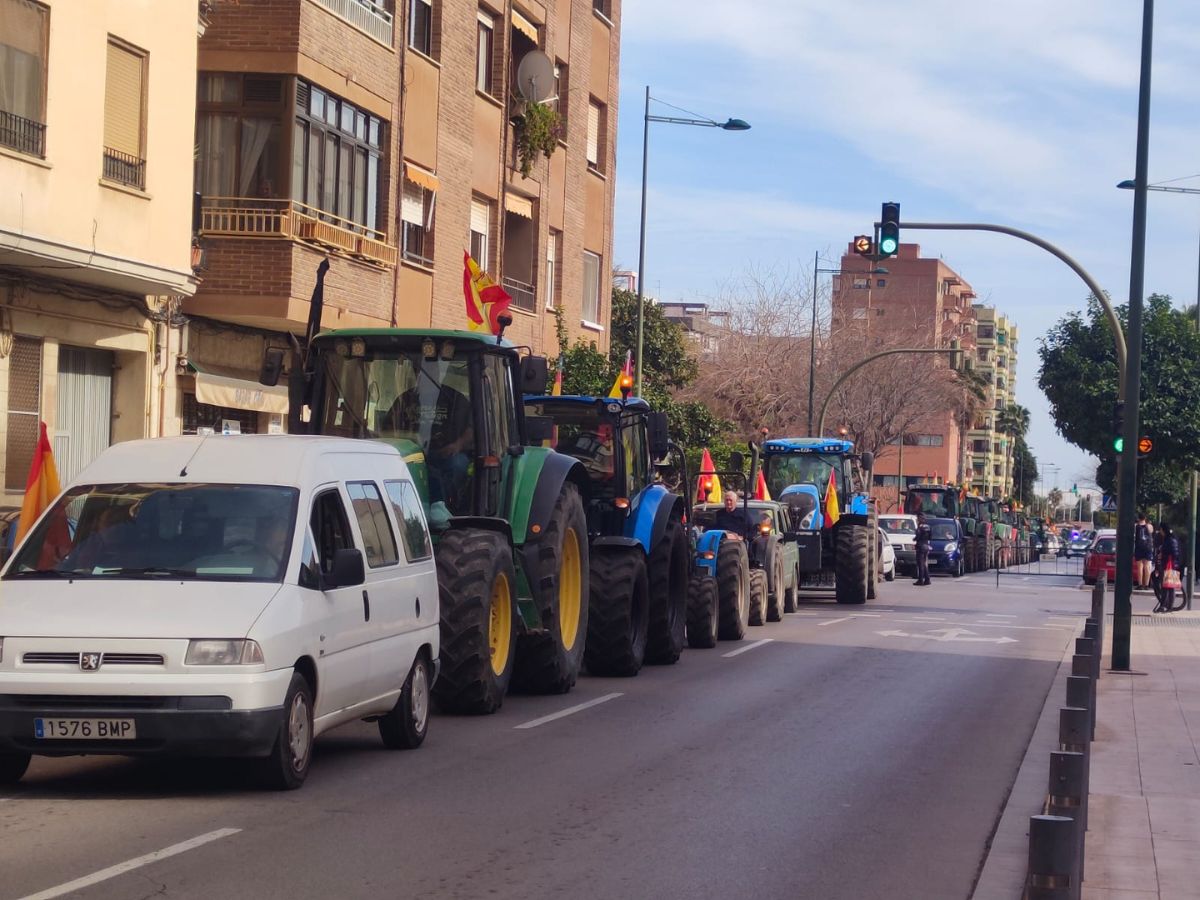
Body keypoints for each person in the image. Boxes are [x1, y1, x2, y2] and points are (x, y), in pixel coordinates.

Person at [1154, 523, 1183, 613]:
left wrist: (1164, 554)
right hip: (1170, 564)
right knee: (1169, 586)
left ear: (1163, 530)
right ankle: (1167, 606)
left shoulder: (1170, 540)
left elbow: (1174, 553)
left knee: (1167, 587)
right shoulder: (1169, 539)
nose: (1160, 532)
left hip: (1170, 565)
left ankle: (1165, 606)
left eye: (1161, 530)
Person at [1134, 512, 1154, 589]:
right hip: (1148, 547)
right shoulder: (1149, 526)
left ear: (1138, 518)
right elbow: (1151, 532)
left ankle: (1140, 584)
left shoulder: (1136, 526)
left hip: (1139, 547)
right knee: (1147, 566)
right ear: (1145, 518)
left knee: (1140, 567)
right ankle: (1146, 584)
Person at [914, 512, 932, 586]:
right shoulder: (929, 526)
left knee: (920, 564)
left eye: (918, 518)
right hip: (926, 546)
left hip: (920, 546)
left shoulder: (920, 526)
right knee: (925, 563)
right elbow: (931, 536)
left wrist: (914, 539)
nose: (917, 519)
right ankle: (927, 579)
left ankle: (920, 580)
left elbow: (918, 536)